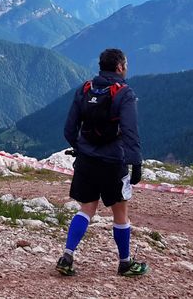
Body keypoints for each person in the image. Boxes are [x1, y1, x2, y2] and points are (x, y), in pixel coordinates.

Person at [56, 48, 148, 277]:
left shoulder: (85, 89)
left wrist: (80, 148)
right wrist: (135, 162)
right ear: (119, 67)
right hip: (113, 162)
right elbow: (130, 131)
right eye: (125, 64)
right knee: (120, 212)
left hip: (86, 160)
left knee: (86, 208)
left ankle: (67, 256)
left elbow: (69, 128)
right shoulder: (124, 93)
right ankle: (125, 263)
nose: (126, 68)